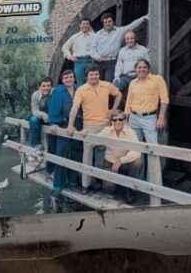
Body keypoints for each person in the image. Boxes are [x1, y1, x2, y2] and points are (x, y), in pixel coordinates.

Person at [67, 65, 123, 185]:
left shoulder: (106, 85)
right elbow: (75, 108)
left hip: (105, 125)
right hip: (89, 126)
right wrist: (70, 125)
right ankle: (85, 185)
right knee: (87, 156)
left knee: (101, 155)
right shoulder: (81, 90)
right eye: (91, 74)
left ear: (99, 75)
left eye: (96, 74)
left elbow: (118, 94)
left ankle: (99, 182)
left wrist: (113, 109)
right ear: (87, 76)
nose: (94, 77)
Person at [46, 70, 81, 206]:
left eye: (71, 77)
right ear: (62, 80)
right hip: (63, 127)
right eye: (66, 77)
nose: (68, 79)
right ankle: (58, 186)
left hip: (78, 127)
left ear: (74, 78)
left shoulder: (79, 89)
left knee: (76, 154)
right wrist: (56, 123)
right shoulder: (58, 92)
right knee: (61, 155)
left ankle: (72, 181)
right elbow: (53, 110)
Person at [94, 113, 144, 203]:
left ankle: (130, 189)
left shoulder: (130, 132)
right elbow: (94, 140)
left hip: (124, 164)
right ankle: (114, 182)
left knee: (138, 162)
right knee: (109, 188)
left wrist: (120, 161)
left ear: (124, 121)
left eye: (120, 119)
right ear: (111, 121)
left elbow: (137, 151)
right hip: (110, 163)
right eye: (115, 120)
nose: (118, 122)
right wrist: (85, 133)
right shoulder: (107, 130)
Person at [123, 59, 169, 148]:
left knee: (152, 147)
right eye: (139, 67)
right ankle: (139, 158)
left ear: (148, 69)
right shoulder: (133, 83)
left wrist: (161, 118)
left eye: (144, 67)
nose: (142, 69)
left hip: (149, 118)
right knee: (135, 147)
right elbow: (128, 102)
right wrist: (126, 119)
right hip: (134, 118)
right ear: (135, 70)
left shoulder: (157, 79)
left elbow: (164, 100)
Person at [91, 12, 149, 83]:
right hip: (98, 62)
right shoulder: (98, 34)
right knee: (97, 82)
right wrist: (98, 57)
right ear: (103, 23)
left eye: (109, 21)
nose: (107, 24)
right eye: (105, 22)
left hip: (111, 62)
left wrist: (143, 18)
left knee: (108, 83)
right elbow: (92, 49)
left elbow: (131, 26)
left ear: (113, 22)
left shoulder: (119, 31)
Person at [26, 77, 53, 169]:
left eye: (48, 86)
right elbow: (34, 111)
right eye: (43, 86)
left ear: (51, 86)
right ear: (39, 87)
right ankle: (36, 147)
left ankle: (51, 158)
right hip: (41, 116)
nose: (46, 88)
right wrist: (44, 115)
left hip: (52, 117)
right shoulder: (35, 95)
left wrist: (50, 117)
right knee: (33, 120)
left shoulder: (54, 93)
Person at [61, 18, 97, 86]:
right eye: (83, 24)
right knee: (80, 83)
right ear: (80, 25)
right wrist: (70, 57)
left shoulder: (94, 36)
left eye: (87, 24)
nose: (85, 26)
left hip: (90, 61)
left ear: (89, 26)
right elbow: (64, 47)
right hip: (79, 61)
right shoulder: (75, 37)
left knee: (92, 83)